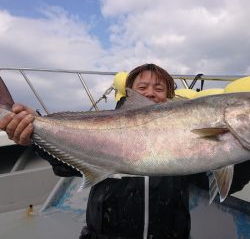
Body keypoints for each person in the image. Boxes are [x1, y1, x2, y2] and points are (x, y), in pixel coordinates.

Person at [0, 63, 250, 239]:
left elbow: (219, 181)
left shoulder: (191, 127)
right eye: (142, 88)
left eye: (159, 88)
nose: (151, 92)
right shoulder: (99, 125)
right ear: (129, 93)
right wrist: (32, 136)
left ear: (169, 96)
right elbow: (64, 166)